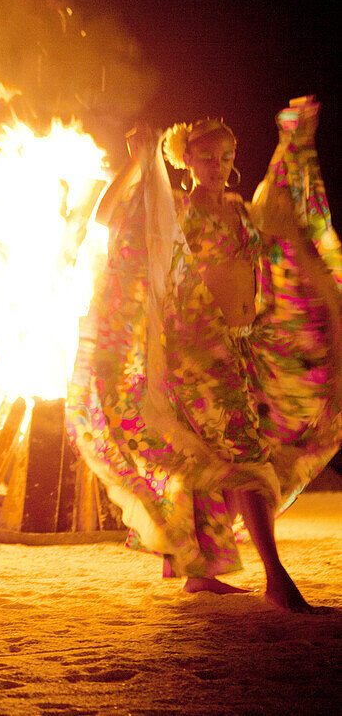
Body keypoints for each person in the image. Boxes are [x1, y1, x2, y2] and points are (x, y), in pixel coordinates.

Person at [68, 96, 342, 612]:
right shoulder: (177, 208)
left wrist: (293, 144)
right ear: (187, 161)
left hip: (244, 346)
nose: (217, 166)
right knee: (245, 457)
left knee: (214, 459)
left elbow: (284, 220)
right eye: (207, 157)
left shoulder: (241, 211)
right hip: (198, 354)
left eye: (224, 156)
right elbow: (108, 217)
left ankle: (200, 572)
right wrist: (138, 159)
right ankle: (277, 578)